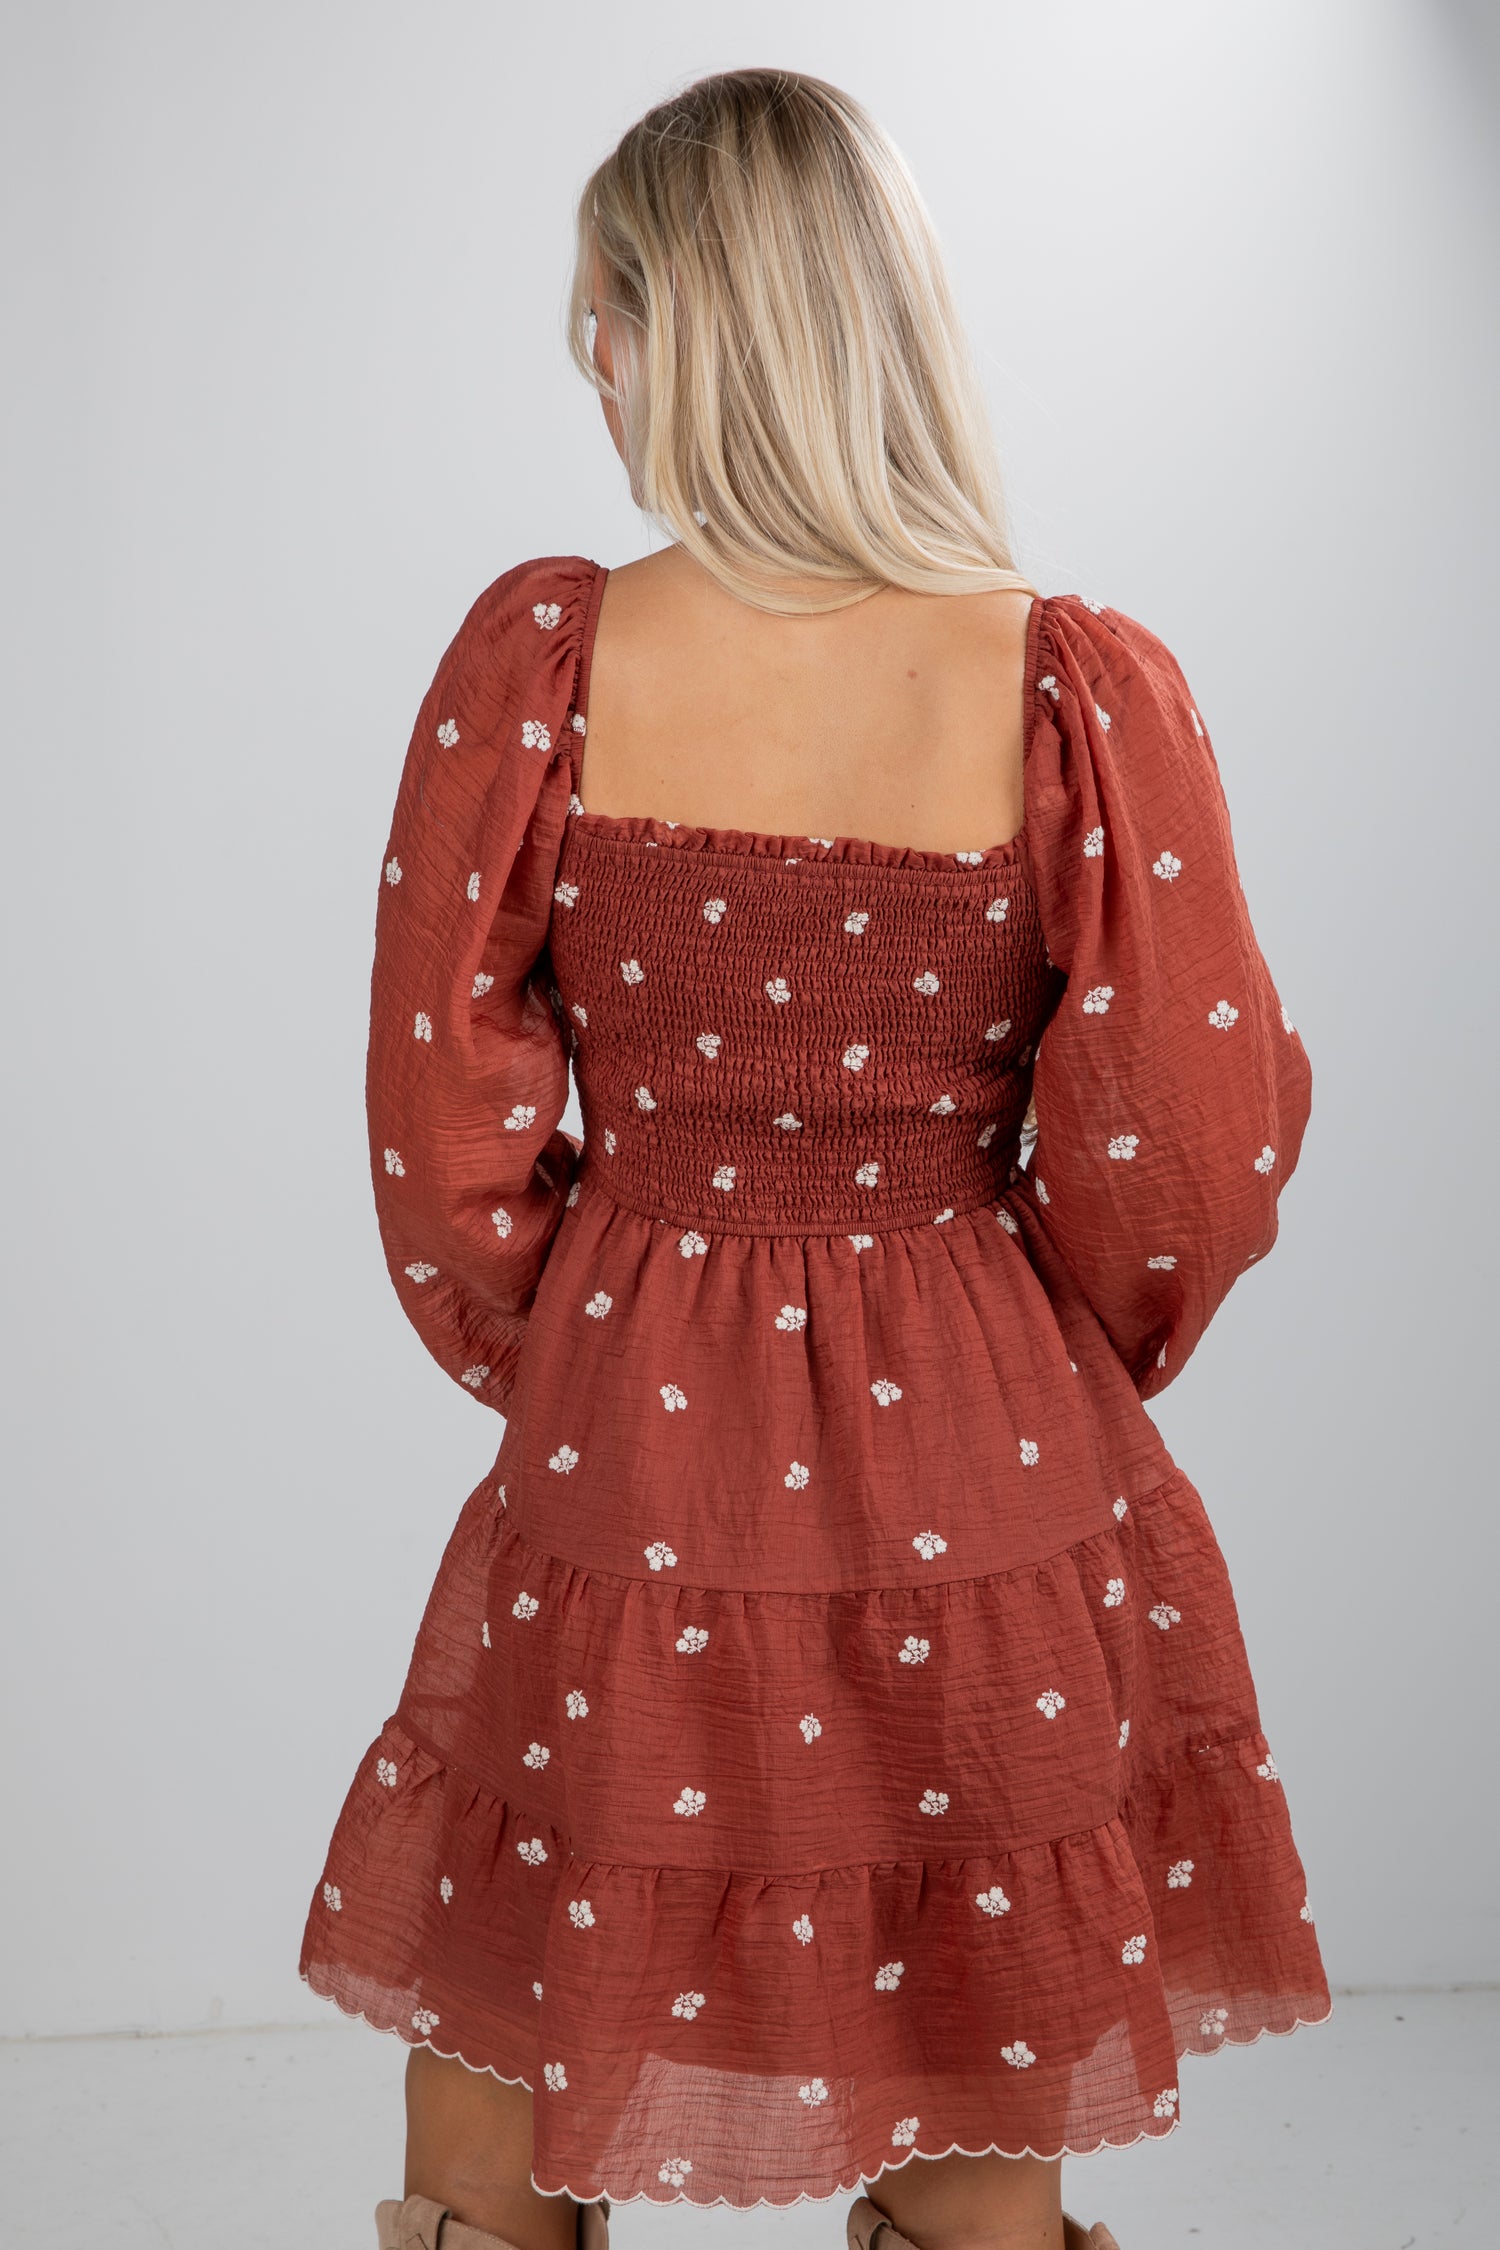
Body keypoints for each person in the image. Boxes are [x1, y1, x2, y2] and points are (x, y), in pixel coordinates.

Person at [299, 66, 1329, 2250]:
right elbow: (1196, 1143)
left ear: (701, 329)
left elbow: (438, 1125)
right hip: (983, 1426)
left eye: (609, 313)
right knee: (984, 1989)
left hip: (629, 1420)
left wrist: (578, 1339)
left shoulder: (551, 659)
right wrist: (1052, 1341)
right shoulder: (1065, 687)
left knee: (517, 1977)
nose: (588, 366)